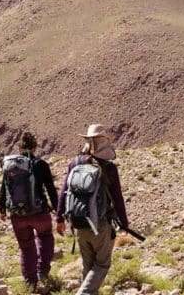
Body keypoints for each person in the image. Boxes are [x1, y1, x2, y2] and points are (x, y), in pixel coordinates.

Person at [55, 124, 130, 295]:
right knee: (102, 264)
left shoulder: (75, 163)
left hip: (79, 223)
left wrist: (59, 219)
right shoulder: (108, 167)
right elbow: (117, 199)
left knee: (87, 266)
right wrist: (124, 223)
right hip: (101, 224)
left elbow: (64, 192)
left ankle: (86, 291)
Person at [0, 132, 59, 293]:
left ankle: (30, 283)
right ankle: (42, 271)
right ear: (34, 147)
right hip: (39, 213)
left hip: (17, 215)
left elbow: (4, 188)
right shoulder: (40, 164)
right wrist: (57, 209)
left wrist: (2, 209)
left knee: (26, 248)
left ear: (19, 148)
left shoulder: (10, 166)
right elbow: (51, 189)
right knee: (45, 236)